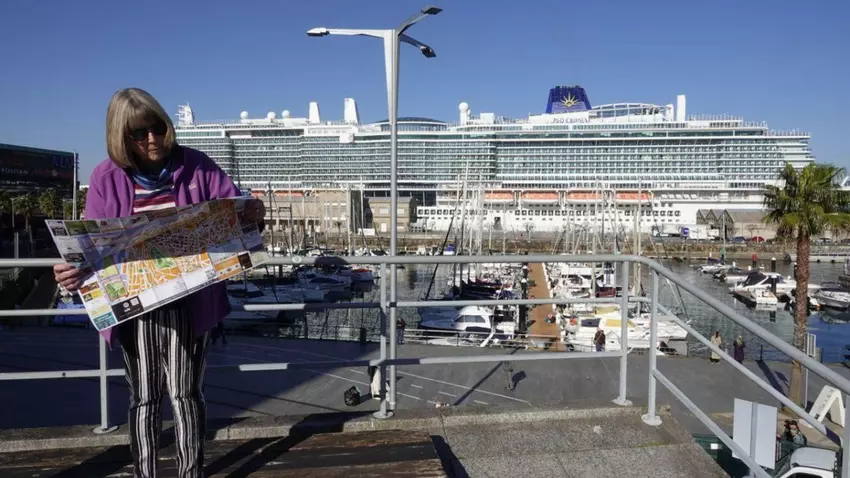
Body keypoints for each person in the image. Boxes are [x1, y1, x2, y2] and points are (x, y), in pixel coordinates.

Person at [52, 88, 265, 478]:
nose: (152, 139)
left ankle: (190, 472)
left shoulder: (197, 165)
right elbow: (90, 248)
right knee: (145, 397)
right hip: (135, 306)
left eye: (158, 128)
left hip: (192, 300)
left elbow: (235, 212)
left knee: (186, 393)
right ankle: (145, 472)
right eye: (138, 133)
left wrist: (254, 212)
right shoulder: (105, 177)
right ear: (121, 136)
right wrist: (70, 270)